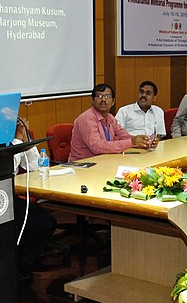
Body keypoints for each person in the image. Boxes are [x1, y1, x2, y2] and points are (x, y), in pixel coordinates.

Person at [11, 119, 58, 280]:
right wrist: (17, 139)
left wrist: (26, 141)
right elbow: (7, 168)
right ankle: (17, 263)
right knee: (42, 223)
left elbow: (35, 167)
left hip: (12, 196)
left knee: (46, 222)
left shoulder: (14, 137)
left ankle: (24, 262)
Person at [68, 84, 153, 162]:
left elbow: (124, 136)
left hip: (104, 161)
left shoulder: (110, 118)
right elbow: (97, 147)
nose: (103, 100)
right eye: (99, 96)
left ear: (113, 102)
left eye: (107, 96)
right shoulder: (86, 119)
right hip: (83, 165)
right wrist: (132, 142)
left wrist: (144, 142)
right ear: (93, 100)